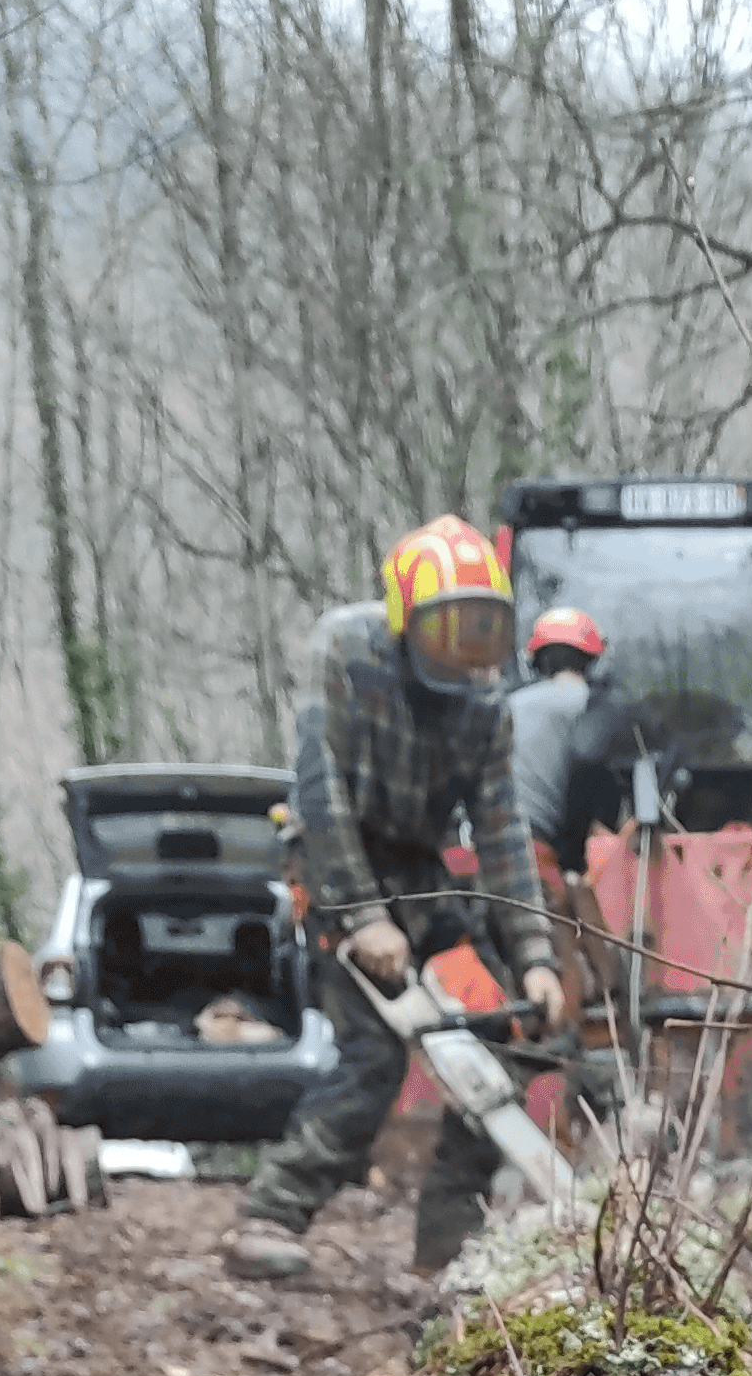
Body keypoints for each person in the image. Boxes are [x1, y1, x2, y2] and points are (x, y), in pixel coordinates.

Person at [234, 514, 567, 1281]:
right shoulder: (346, 652)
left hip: (420, 879)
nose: (466, 649)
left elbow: (502, 832)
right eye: (451, 627)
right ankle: (271, 1214)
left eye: (484, 629)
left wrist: (536, 958)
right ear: (404, 618)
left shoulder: (486, 706)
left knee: (508, 1032)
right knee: (376, 1056)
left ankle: (446, 1249)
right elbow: (322, 794)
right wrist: (360, 916)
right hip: (336, 865)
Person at [504, 602, 638, 1063]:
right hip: (530, 849)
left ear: (534, 660)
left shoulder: (508, 705)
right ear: (593, 660)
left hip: (481, 846)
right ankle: (563, 1055)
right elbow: (599, 798)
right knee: (558, 947)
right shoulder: (595, 708)